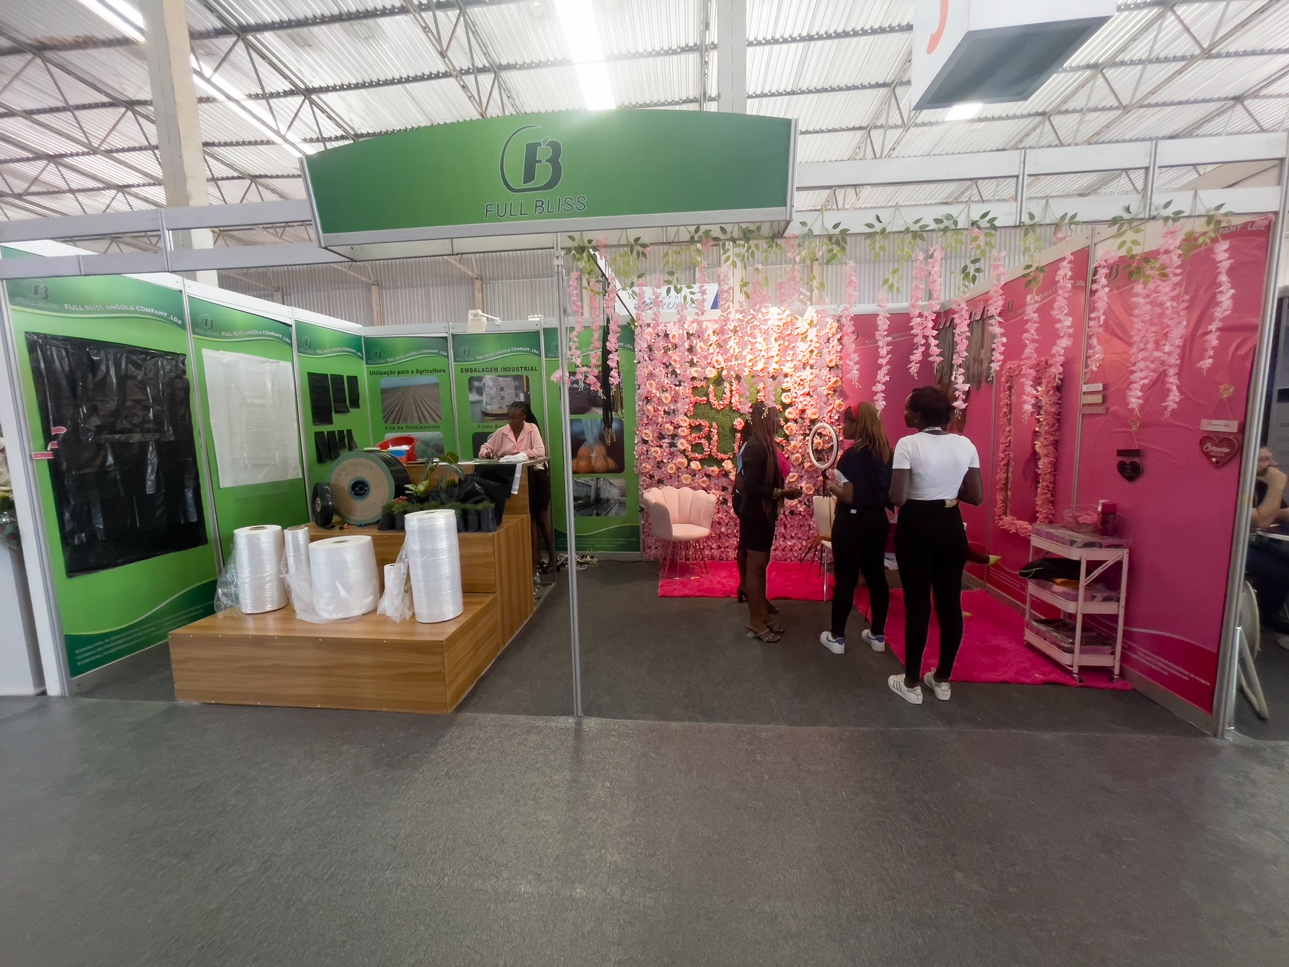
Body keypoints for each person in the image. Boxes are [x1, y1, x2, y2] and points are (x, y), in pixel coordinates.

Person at [888, 386, 984, 704]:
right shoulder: (965, 444)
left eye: (906, 409)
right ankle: (942, 679)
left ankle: (911, 683)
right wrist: (947, 487)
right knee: (950, 603)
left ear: (917, 416)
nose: (904, 413)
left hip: (916, 524)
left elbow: (898, 496)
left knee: (918, 604)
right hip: (951, 525)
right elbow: (976, 496)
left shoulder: (908, 444)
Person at [820, 403, 891, 656]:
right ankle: (878, 634)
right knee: (876, 578)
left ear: (858, 425)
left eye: (847, 422)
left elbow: (849, 496)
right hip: (878, 521)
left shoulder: (852, 456)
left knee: (846, 579)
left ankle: (837, 636)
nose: (843, 427)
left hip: (851, 523)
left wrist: (832, 488)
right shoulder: (887, 454)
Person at [735, 403, 801, 642]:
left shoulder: (764, 445)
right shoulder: (756, 447)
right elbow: (751, 487)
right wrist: (781, 493)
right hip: (755, 514)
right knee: (755, 567)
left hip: (763, 514)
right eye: (775, 419)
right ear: (764, 421)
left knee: (761, 565)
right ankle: (754, 620)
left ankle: (762, 614)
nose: (779, 424)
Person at [1246, 447, 1289, 635]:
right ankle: (1265, 615)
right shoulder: (1236, 485)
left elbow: (1273, 513)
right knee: (1282, 571)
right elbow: (1262, 520)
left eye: (1271, 458)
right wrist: (1277, 485)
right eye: (1264, 459)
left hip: (1254, 541)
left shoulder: (1260, 484)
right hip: (1230, 548)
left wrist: (1272, 512)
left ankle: (1268, 611)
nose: (1273, 464)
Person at [520, 402, 561, 573]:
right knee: (535, 520)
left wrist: (519, 454)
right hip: (530, 477)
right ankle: (537, 558)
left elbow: (539, 452)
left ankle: (552, 559)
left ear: (523, 416)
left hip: (537, 477)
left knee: (541, 519)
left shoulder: (531, 429)